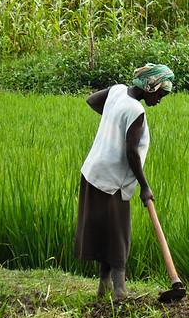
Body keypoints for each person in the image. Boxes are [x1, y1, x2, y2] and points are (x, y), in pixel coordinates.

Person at [74, 63, 174, 301]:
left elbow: (91, 100)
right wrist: (145, 186)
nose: (160, 99)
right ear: (150, 86)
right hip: (112, 181)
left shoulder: (117, 92)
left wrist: (112, 116)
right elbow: (132, 153)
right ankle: (119, 291)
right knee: (119, 235)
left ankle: (103, 286)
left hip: (92, 172)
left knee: (105, 233)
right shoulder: (136, 112)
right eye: (160, 93)